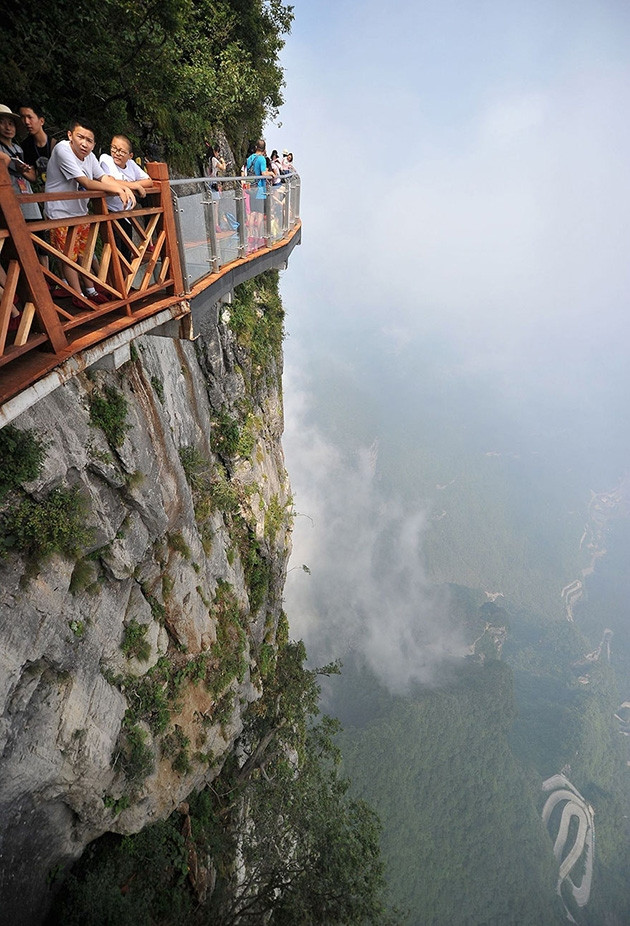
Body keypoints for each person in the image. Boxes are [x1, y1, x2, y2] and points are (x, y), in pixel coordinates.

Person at [45, 117, 136, 306]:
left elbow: (102, 177)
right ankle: (79, 296)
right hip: (60, 214)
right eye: (80, 137)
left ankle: (91, 290)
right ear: (70, 136)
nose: (84, 143)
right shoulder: (63, 149)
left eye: (89, 140)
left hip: (80, 212)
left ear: (94, 144)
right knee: (68, 257)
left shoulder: (90, 157)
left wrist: (124, 188)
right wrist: (119, 189)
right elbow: (85, 182)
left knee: (84, 253)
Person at [99, 134, 152, 260]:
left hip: (126, 215)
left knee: (126, 254)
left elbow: (149, 181)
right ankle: (117, 280)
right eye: (114, 148)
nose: (117, 153)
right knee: (115, 255)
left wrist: (131, 185)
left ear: (130, 156)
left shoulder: (132, 165)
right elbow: (108, 180)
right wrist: (134, 186)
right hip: (110, 214)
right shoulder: (105, 159)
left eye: (122, 151)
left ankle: (126, 280)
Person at [0, 104, 41, 221]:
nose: (7, 127)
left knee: (37, 233)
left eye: (11, 124)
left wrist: (23, 169)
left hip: (28, 201)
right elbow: (6, 160)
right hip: (10, 204)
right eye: (2, 122)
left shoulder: (18, 148)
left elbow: (33, 177)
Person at [18, 103, 57, 182]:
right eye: (23, 117)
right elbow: (33, 177)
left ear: (41, 121)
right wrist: (22, 170)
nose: (26, 122)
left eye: (30, 117)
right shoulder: (26, 146)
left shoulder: (57, 144)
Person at [245, 138, 272, 248]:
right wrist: (271, 173)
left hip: (251, 188)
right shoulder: (262, 159)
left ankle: (250, 236)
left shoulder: (249, 158)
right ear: (264, 149)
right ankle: (259, 237)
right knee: (260, 213)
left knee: (252, 213)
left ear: (256, 147)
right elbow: (263, 172)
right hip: (260, 188)